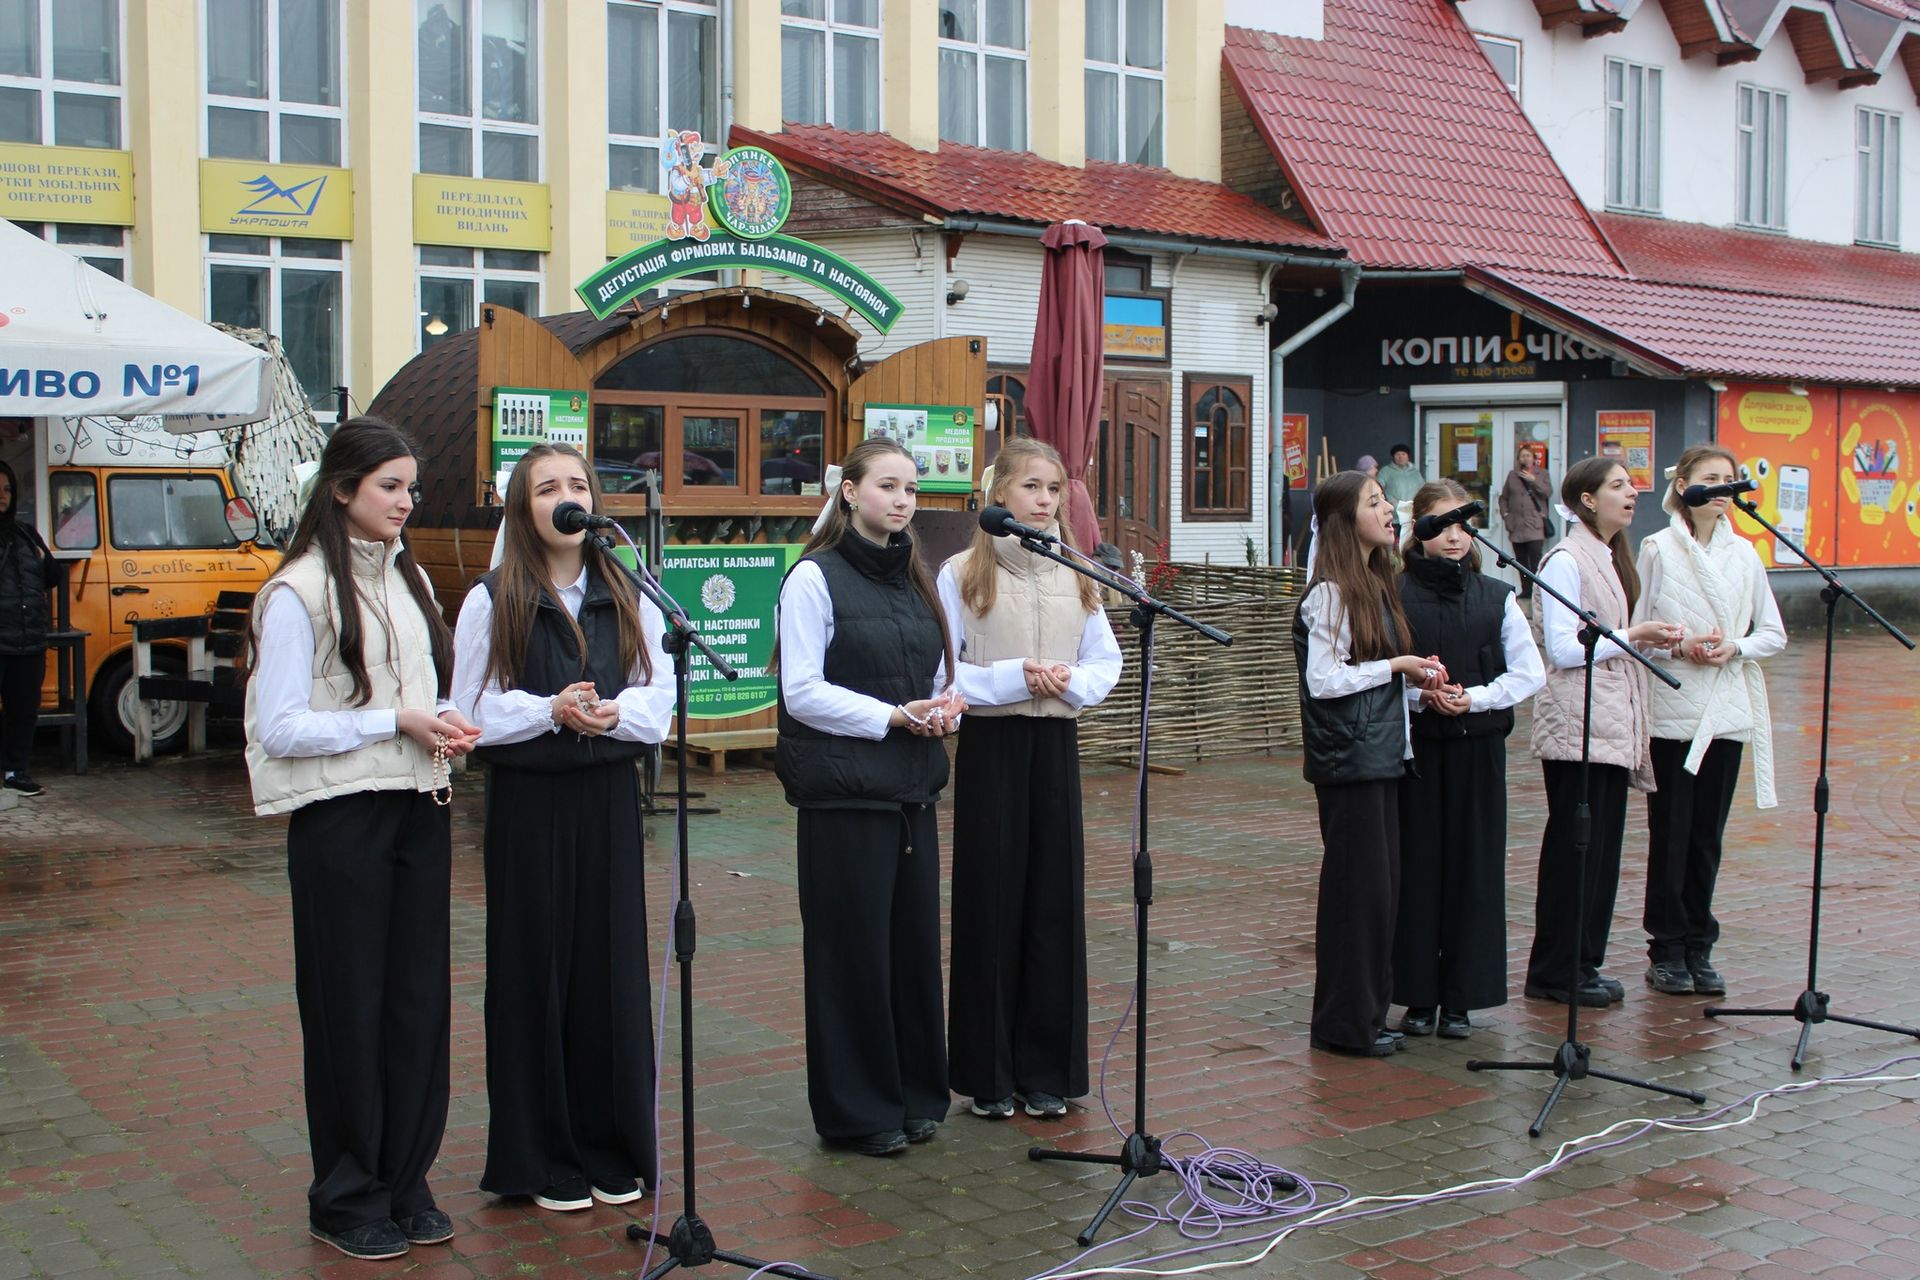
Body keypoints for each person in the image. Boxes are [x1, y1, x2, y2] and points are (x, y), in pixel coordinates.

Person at [244, 419, 482, 1261]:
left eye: (412, 488)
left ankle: (404, 1178)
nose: (407, 502)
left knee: (416, 1003)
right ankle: (345, 1195)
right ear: (342, 488)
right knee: (349, 1007)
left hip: (419, 804)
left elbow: (417, 688)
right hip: (342, 818)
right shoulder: (296, 593)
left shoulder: (411, 575)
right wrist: (397, 720)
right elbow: (279, 727)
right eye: (391, 486)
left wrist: (445, 721)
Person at [452, 444, 673, 1211]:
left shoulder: (627, 588)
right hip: (530, 806)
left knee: (609, 972)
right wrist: (550, 709)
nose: (567, 497)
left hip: (608, 798)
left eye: (578, 484)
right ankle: (543, 1156)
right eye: (548, 487)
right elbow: (470, 711)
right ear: (523, 507)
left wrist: (616, 714)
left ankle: (611, 1146)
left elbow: (658, 697)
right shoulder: (494, 597)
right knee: (535, 973)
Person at [773, 436, 966, 1155]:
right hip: (843, 794)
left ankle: (917, 1094)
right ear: (849, 492)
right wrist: (892, 718)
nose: (903, 500)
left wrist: (946, 704)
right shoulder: (813, 578)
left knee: (911, 952)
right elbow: (801, 691)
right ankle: (859, 1111)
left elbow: (941, 670)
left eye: (911, 489)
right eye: (888, 486)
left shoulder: (918, 576)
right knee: (852, 955)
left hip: (911, 789)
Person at [938, 439, 1122, 1120]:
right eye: (1031, 488)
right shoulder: (961, 573)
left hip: (1056, 741)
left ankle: (1047, 1071)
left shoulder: (1078, 572)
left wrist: (1074, 682)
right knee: (992, 901)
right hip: (992, 743)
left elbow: (1108, 661)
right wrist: (1012, 678)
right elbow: (942, 673)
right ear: (998, 495)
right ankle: (989, 1076)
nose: (1044, 501)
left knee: (1053, 902)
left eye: (1053, 490)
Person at [1293, 469, 1447, 1057]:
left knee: (1381, 895)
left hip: (1381, 755)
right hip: (1349, 762)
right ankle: (1343, 1025)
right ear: (1342, 519)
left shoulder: (1375, 583)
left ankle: (1368, 1015)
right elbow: (1326, 681)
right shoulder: (1330, 591)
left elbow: (1372, 676)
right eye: (1374, 502)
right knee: (1356, 898)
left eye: (1387, 503)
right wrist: (1398, 667)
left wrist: (1418, 686)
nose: (1389, 512)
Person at [1524, 457, 1683, 1008]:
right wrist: (1632, 632)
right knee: (1576, 850)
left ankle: (1583, 963)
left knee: (1602, 852)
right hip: (1578, 724)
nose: (1632, 493)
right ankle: (1554, 971)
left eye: (1632, 484)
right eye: (1618, 485)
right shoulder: (1565, 558)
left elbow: (1605, 639)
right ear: (1587, 499)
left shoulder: (1613, 556)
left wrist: (1646, 641)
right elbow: (1566, 650)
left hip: (1609, 722)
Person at [1393, 480, 1544, 1040]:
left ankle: (1462, 996)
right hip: (1417, 751)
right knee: (1418, 868)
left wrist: (1473, 697)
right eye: (1440, 523)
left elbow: (1528, 673)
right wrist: (1419, 695)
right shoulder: (1395, 592)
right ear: (1419, 530)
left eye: (1462, 524)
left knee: (1474, 870)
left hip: (1479, 749)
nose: (1454, 535)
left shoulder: (1497, 595)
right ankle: (1415, 994)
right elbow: (1378, 666)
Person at [1632, 445, 1786, 997]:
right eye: (1711, 478)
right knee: (1670, 834)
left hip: (1725, 710)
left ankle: (1700, 943)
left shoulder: (1745, 554)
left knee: (1706, 838)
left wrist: (1735, 647)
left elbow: (1773, 632)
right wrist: (1680, 648)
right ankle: (1666, 948)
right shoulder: (1656, 548)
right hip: (1673, 710)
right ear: (1684, 486)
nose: (1722, 488)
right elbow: (1638, 630)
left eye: (1730, 480)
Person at [0, 459, 60, 797]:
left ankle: (15, 770)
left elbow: (53, 575)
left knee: (23, 711)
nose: (3, 496)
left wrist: (42, 561)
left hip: (28, 639)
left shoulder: (25, 533)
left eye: (7, 489)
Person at [1498, 447, 1553, 600]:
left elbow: (1547, 493)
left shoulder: (1542, 474)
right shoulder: (1512, 475)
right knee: (1521, 561)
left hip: (1534, 525)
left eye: (1528, 455)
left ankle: (1538, 592)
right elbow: (1503, 498)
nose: (1525, 459)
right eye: (1522, 456)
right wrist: (1506, 515)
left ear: (1533, 458)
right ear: (1518, 459)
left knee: (1536, 561)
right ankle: (1526, 590)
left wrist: (1533, 482)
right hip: (1516, 526)